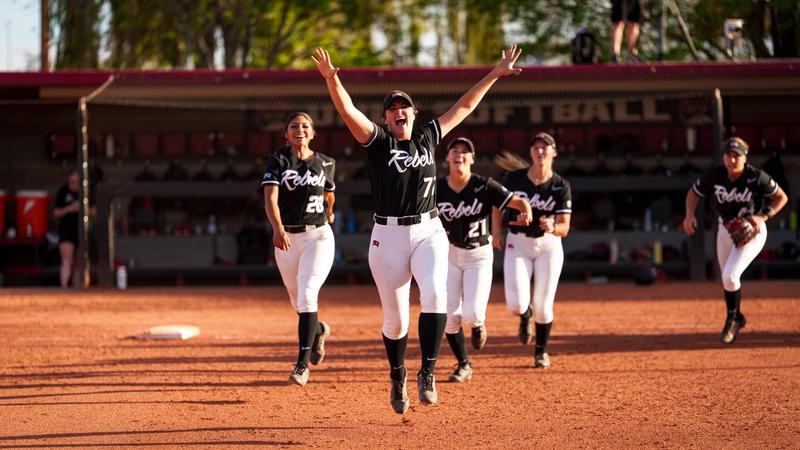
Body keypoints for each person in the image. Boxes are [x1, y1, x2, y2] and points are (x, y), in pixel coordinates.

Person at [312, 44, 522, 414]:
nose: (398, 112)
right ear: (388, 118)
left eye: (403, 107)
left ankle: (427, 371)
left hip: (428, 231)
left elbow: (465, 106)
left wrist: (494, 73)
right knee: (395, 322)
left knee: (436, 297)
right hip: (387, 236)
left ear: (414, 113)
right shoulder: (379, 141)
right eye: (392, 109)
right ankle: (398, 376)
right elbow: (348, 111)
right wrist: (333, 80)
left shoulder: (427, 136)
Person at [436, 137, 532, 383]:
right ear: (447, 158)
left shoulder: (483, 185)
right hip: (449, 253)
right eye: (454, 151)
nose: (459, 155)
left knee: (471, 314)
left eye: (465, 152)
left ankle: (477, 324)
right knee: (448, 315)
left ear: (472, 159)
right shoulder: (437, 188)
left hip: (478, 254)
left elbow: (516, 201)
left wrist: (525, 210)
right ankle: (463, 364)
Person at [682, 137, 788, 344]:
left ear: (745, 157)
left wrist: (763, 216)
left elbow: (781, 197)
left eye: (736, 155)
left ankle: (731, 319)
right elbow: (693, 193)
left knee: (730, 276)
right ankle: (738, 316)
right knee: (727, 279)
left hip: (752, 229)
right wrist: (689, 215)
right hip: (725, 229)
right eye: (728, 155)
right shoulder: (715, 174)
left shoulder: (756, 177)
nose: (732, 159)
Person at [261, 112, 336, 386]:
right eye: (294, 126)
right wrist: (278, 229)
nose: (300, 130)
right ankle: (317, 330)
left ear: (313, 133)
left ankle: (301, 366)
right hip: (287, 239)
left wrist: (330, 211)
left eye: (305, 126)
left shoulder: (326, 162)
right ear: (286, 133)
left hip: (318, 237)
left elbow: (329, 191)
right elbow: (271, 198)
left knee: (306, 296)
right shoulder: (279, 160)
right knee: (297, 302)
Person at [492, 132, 572, 369]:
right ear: (530, 153)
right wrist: (496, 231)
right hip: (519, 243)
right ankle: (524, 315)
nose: (540, 151)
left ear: (554, 153)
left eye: (545, 148)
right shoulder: (514, 178)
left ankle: (541, 351)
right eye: (536, 148)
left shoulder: (560, 186)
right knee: (516, 305)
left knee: (544, 306)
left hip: (548, 246)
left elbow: (565, 227)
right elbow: (497, 204)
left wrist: (553, 226)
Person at [53, 169, 80, 288]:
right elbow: (56, 213)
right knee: (66, 259)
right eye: (72, 181)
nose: (74, 184)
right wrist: (69, 209)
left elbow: (96, 211)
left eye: (76, 182)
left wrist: (82, 210)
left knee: (79, 263)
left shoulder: (85, 191)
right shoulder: (63, 192)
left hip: (81, 229)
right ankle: (64, 288)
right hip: (66, 229)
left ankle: (77, 288)